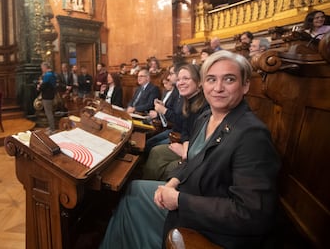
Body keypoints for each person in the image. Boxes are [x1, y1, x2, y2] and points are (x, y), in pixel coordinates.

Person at [99, 50, 281, 249]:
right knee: (133, 189)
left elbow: (251, 214)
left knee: (131, 205)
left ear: (245, 85)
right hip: (189, 191)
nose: (218, 88)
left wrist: (179, 200)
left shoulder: (252, 134)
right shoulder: (206, 117)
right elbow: (192, 161)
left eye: (229, 79)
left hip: (211, 227)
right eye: (211, 79)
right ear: (204, 85)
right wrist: (172, 182)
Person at [143, 63, 208, 180]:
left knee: (157, 153)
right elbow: (186, 130)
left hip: (196, 154)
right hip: (185, 143)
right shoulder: (188, 101)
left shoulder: (204, 105)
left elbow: (199, 137)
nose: (180, 83)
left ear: (199, 82)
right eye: (178, 79)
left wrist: (185, 149)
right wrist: (185, 143)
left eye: (186, 79)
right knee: (155, 151)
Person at [144, 66, 182, 153]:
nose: (169, 77)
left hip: (177, 132)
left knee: (153, 148)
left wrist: (163, 110)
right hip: (173, 128)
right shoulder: (171, 92)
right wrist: (162, 106)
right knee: (148, 142)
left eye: (171, 74)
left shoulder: (179, 94)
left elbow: (177, 118)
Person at [37, 62, 57, 135]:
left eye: (42, 67)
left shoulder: (47, 75)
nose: (42, 69)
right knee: (49, 112)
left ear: (45, 67)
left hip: (47, 96)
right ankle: (51, 127)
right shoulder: (52, 74)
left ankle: (52, 130)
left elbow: (43, 86)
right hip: (50, 95)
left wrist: (39, 87)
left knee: (49, 113)